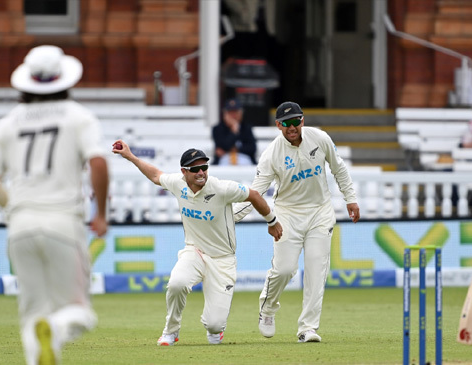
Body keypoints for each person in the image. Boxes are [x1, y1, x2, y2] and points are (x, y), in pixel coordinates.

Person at [0, 45, 109, 365]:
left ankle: (45, 332)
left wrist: (17, 208)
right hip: (62, 221)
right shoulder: (78, 116)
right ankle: (55, 328)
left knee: (31, 317)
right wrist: (102, 214)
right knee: (79, 313)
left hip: (21, 226)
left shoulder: (8, 123)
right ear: (64, 79)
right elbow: (99, 163)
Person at [111, 142, 283, 346]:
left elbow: (253, 195)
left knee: (214, 326)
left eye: (205, 167)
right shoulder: (177, 183)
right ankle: (171, 330)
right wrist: (131, 157)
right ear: (184, 172)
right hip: (195, 251)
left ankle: (216, 329)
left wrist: (272, 221)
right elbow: (156, 175)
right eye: (195, 169)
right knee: (176, 284)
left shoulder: (220, 188)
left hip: (222, 259)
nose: (201, 172)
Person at [233, 101, 360, 343]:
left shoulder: (319, 138)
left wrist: (350, 199)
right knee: (284, 270)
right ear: (278, 125)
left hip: (320, 212)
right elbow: (256, 193)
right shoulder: (271, 154)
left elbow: (339, 168)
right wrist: (232, 217)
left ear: (302, 120)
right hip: (287, 215)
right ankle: (268, 308)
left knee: (316, 270)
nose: (292, 127)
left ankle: (308, 328)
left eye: (296, 121)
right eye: (286, 123)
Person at [212, 98, 257, 165]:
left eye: (235, 112)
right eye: (230, 112)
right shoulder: (218, 128)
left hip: (245, 161)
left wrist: (235, 149)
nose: (233, 115)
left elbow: (252, 148)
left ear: (241, 113)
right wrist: (234, 132)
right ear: (225, 114)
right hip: (223, 162)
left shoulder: (246, 127)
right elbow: (221, 147)